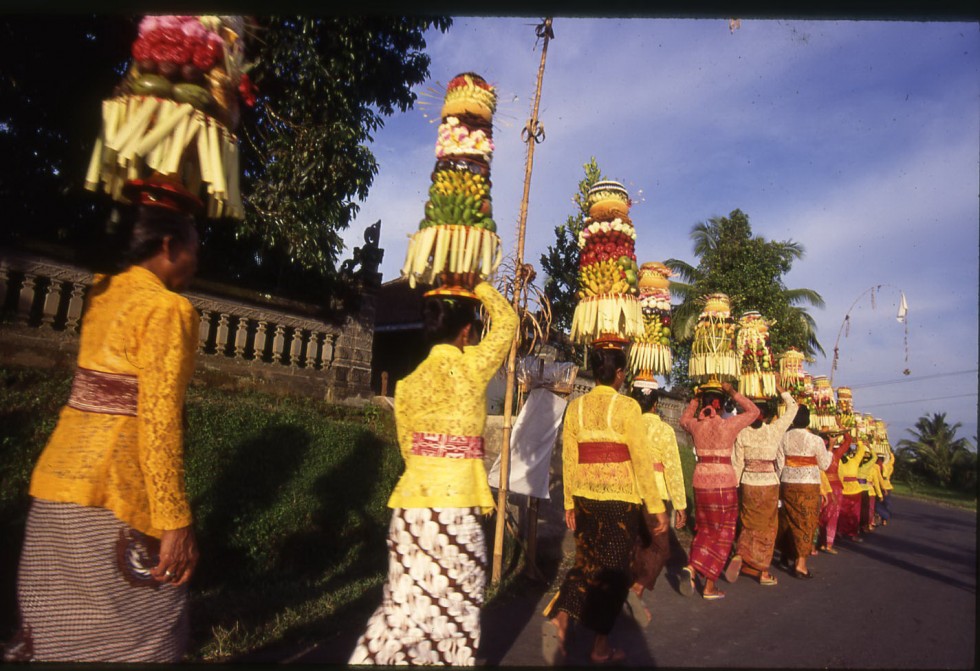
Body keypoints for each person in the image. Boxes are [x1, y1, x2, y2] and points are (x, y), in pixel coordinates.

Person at [5, 178, 202, 663]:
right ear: (168, 244)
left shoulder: (103, 292)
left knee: (58, 638)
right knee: (143, 639)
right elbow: (158, 422)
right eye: (196, 245)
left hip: (57, 489)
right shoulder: (167, 308)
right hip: (115, 495)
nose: (199, 257)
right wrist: (174, 521)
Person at [348, 279, 517, 666]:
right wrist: (479, 283)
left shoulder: (407, 387)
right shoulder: (472, 366)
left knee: (400, 619)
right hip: (455, 514)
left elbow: (411, 452)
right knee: (455, 622)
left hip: (411, 514)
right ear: (466, 331)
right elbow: (507, 323)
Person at [543, 345, 666, 665]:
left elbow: (569, 457)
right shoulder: (628, 408)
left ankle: (564, 617)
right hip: (619, 499)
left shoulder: (577, 407)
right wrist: (655, 506)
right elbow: (640, 459)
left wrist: (569, 501)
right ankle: (599, 646)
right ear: (621, 374)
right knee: (615, 573)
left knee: (586, 562)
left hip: (584, 496)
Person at [679, 381, 760, 600]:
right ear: (722, 404)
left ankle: (694, 569)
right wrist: (733, 392)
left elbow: (683, 419)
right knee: (723, 532)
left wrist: (696, 398)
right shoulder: (729, 425)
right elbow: (755, 411)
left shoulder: (695, 425)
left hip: (701, 480)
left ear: (704, 403)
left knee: (705, 529)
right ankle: (706, 582)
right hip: (723, 481)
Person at [627, 382, 689, 626]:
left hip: (629, 492)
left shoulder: (627, 427)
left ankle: (631, 589)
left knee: (637, 543)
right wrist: (681, 504)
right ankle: (637, 589)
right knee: (661, 546)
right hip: (655, 495)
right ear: (655, 404)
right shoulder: (664, 431)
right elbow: (673, 469)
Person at [730, 383, 797, 586]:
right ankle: (763, 572)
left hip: (748, 482)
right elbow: (793, 408)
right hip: (768, 483)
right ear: (767, 415)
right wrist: (780, 389)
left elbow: (737, 463)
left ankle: (742, 554)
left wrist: (736, 487)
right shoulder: (775, 430)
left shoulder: (741, 433)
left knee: (749, 523)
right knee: (768, 528)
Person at [775, 406, 832, 578]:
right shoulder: (816, 440)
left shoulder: (783, 438)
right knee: (806, 522)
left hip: (788, 483)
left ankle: (786, 553)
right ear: (808, 421)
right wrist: (830, 451)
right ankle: (800, 563)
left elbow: (779, 464)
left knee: (788, 519)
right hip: (808, 484)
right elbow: (824, 465)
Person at [817, 430, 852, 554]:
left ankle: (826, 543)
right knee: (822, 515)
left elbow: (848, 441)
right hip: (823, 487)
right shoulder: (820, 454)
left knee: (829, 515)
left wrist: (841, 427)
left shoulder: (835, 454)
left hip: (833, 488)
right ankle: (822, 543)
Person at [836, 437, 869, 542]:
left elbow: (861, 452)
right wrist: (859, 442)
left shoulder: (839, 461)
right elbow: (861, 451)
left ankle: (843, 532)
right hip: (852, 491)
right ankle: (850, 533)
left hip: (847, 490)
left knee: (845, 513)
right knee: (852, 513)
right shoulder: (851, 461)